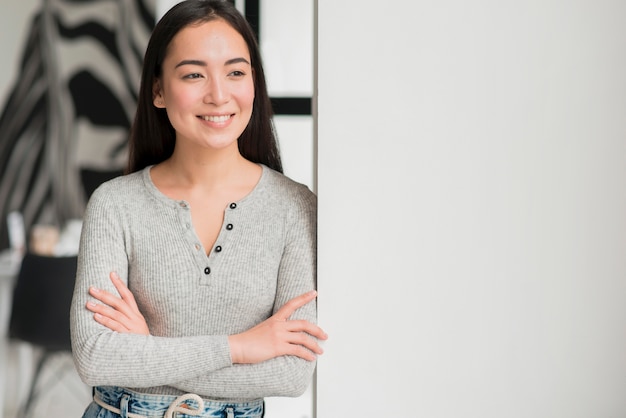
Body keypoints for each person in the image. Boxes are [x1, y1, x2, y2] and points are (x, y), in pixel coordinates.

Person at [69, 1, 326, 417]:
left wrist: (148, 350)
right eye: (193, 74)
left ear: (254, 85)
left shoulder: (296, 207)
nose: (219, 94)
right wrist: (240, 347)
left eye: (236, 72)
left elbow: (291, 374)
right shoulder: (114, 204)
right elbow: (96, 356)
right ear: (158, 89)